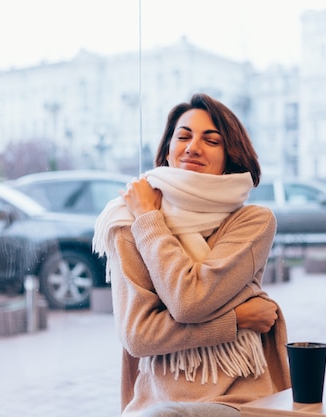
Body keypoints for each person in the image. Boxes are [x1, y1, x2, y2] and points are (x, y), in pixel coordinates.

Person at [93, 93, 290, 417]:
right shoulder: (127, 221)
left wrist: (149, 222)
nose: (193, 147)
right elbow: (139, 335)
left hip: (238, 400)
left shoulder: (251, 221)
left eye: (211, 141)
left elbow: (188, 300)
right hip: (153, 402)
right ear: (167, 150)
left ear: (231, 156)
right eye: (183, 136)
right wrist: (236, 318)